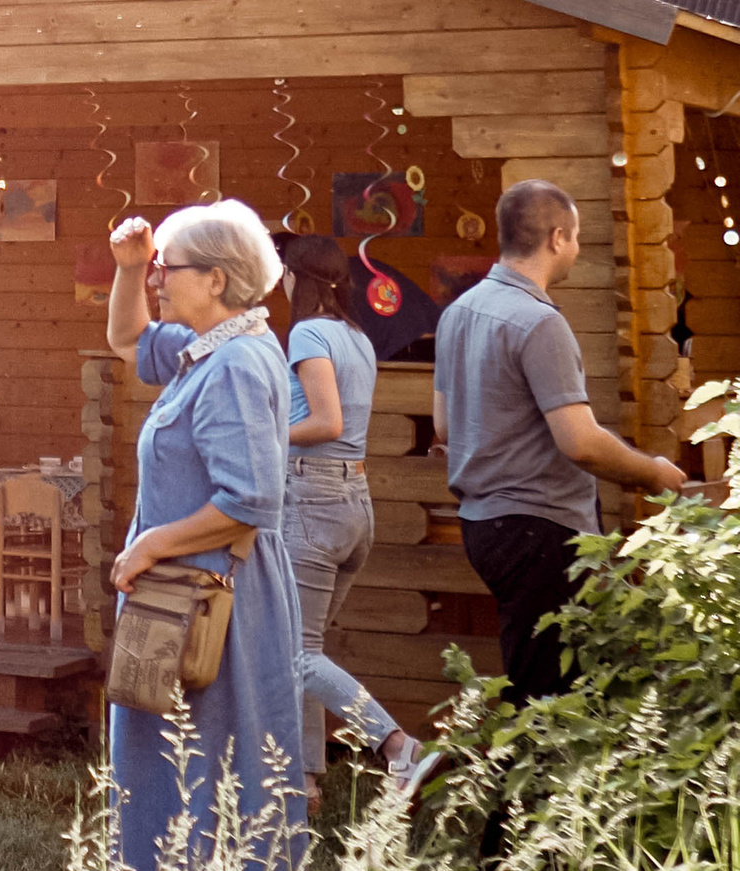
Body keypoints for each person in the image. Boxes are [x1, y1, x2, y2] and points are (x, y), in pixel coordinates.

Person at [103, 204, 305, 871]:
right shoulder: (204, 346)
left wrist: (156, 542)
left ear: (216, 280)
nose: (158, 277)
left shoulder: (239, 363)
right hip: (179, 598)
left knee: (214, 773)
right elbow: (125, 340)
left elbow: (251, 498)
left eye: (168, 268)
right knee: (166, 770)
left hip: (215, 607)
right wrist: (128, 267)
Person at [435, 179, 692, 723]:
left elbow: (444, 425)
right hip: (539, 528)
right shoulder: (540, 321)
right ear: (557, 238)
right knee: (550, 701)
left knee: (537, 676)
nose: (576, 249)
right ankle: (518, 810)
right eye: (576, 239)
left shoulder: (459, 311)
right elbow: (581, 443)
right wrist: (654, 473)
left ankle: (539, 803)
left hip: (483, 524)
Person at [273, 232, 435, 793]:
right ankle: (306, 783)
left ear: (298, 277)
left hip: (314, 501)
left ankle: (399, 746)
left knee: (292, 652)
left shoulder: (307, 332)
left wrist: (261, 435)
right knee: (305, 650)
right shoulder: (355, 335)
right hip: (353, 505)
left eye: (284, 272)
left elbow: (326, 423)